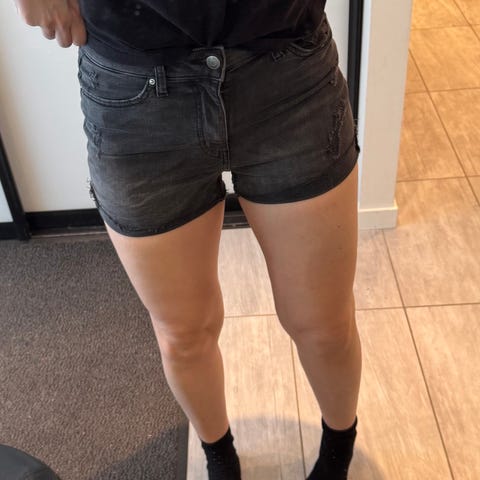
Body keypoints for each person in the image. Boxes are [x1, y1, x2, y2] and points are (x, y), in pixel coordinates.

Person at [15, 1, 362, 478]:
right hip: (133, 80)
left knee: (324, 326)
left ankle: (339, 448)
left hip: (286, 64)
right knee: (183, 335)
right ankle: (219, 456)